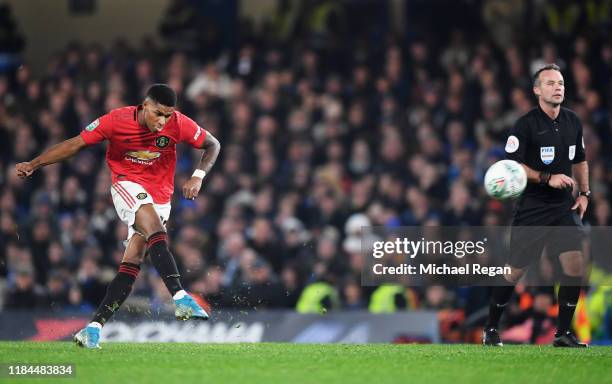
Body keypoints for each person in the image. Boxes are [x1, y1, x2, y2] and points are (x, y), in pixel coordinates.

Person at [15, 84, 221, 348]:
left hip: (161, 196)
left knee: (132, 263)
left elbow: (213, 144)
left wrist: (197, 176)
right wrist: (33, 164)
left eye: (168, 115)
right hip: (127, 184)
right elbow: (76, 144)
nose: (163, 121)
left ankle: (93, 328)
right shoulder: (116, 120)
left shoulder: (178, 123)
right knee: (155, 229)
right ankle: (180, 296)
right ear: (144, 106)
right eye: (158, 113)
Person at [483, 64, 589, 348]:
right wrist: (546, 177)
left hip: (563, 207)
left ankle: (563, 333)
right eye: (551, 83)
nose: (558, 87)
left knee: (574, 263)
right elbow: (512, 164)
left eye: (561, 83)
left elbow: (580, 160)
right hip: (533, 206)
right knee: (515, 270)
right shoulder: (526, 124)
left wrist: (585, 194)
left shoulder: (573, 121)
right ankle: (491, 328)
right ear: (537, 90)